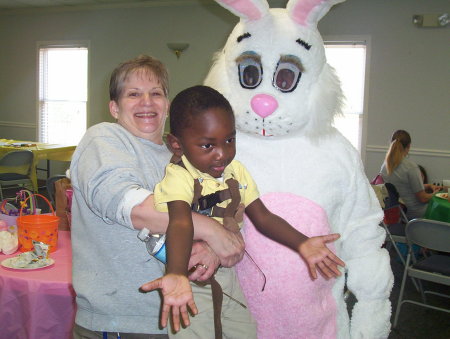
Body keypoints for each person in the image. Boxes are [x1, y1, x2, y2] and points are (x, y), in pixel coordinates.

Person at [141, 85, 345, 338]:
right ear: (177, 145)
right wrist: (176, 274)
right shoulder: (178, 177)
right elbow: (181, 223)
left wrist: (302, 243)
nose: (222, 154)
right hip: (190, 278)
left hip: (228, 276)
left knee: (245, 332)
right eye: (207, 146)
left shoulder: (236, 171)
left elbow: (263, 217)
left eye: (229, 140)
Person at [69, 56, 246, 339]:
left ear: (167, 104)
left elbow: (225, 214)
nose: (147, 102)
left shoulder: (182, 157)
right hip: (120, 323)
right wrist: (211, 231)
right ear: (114, 107)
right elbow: (134, 208)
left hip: (182, 318)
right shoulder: (104, 140)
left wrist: (212, 248)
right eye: (133, 94)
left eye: (156, 94)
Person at [380, 130, 441, 220]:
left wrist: (426, 186)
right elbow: (423, 198)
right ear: (409, 146)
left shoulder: (385, 166)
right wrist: (436, 194)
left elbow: (401, 188)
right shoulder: (411, 167)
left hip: (397, 211)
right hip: (415, 213)